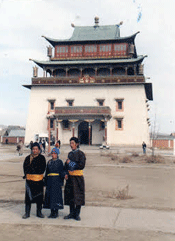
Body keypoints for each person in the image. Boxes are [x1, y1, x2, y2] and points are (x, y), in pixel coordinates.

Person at [64, 137, 86, 221]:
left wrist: (71, 163)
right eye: (70, 143)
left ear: (77, 144)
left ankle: (77, 214)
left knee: (78, 196)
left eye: (72, 143)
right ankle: (71, 213)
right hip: (70, 178)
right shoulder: (70, 154)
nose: (71, 145)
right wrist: (66, 173)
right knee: (70, 196)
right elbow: (66, 166)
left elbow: (81, 166)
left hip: (78, 178)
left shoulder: (81, 154)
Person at [22, 142, 46, 219]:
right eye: (33, 149)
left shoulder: (42, 158)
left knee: (39, 198)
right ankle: (27, 213)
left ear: (39, 150)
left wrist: (34, 170)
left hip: (38, 181)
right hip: (29, 181)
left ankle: (39, 213)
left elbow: (42, 168)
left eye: (36, 149)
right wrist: (26, 174)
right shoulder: (27, 158)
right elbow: (25, 167)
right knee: (28, 198)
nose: (35, 150)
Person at [43, 149, 65, 218]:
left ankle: (56, 212)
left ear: (57, 154)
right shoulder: (49, 162)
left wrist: (61, 183)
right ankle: (52, 212)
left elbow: (62, 172)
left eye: (55, 153)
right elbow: (46, 172)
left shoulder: (60, 162)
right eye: (52, 153)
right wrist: (45, 182)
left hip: (57, 181)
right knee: (50, 197)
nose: (53, 155)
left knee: (56, 197)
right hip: (50, 181)